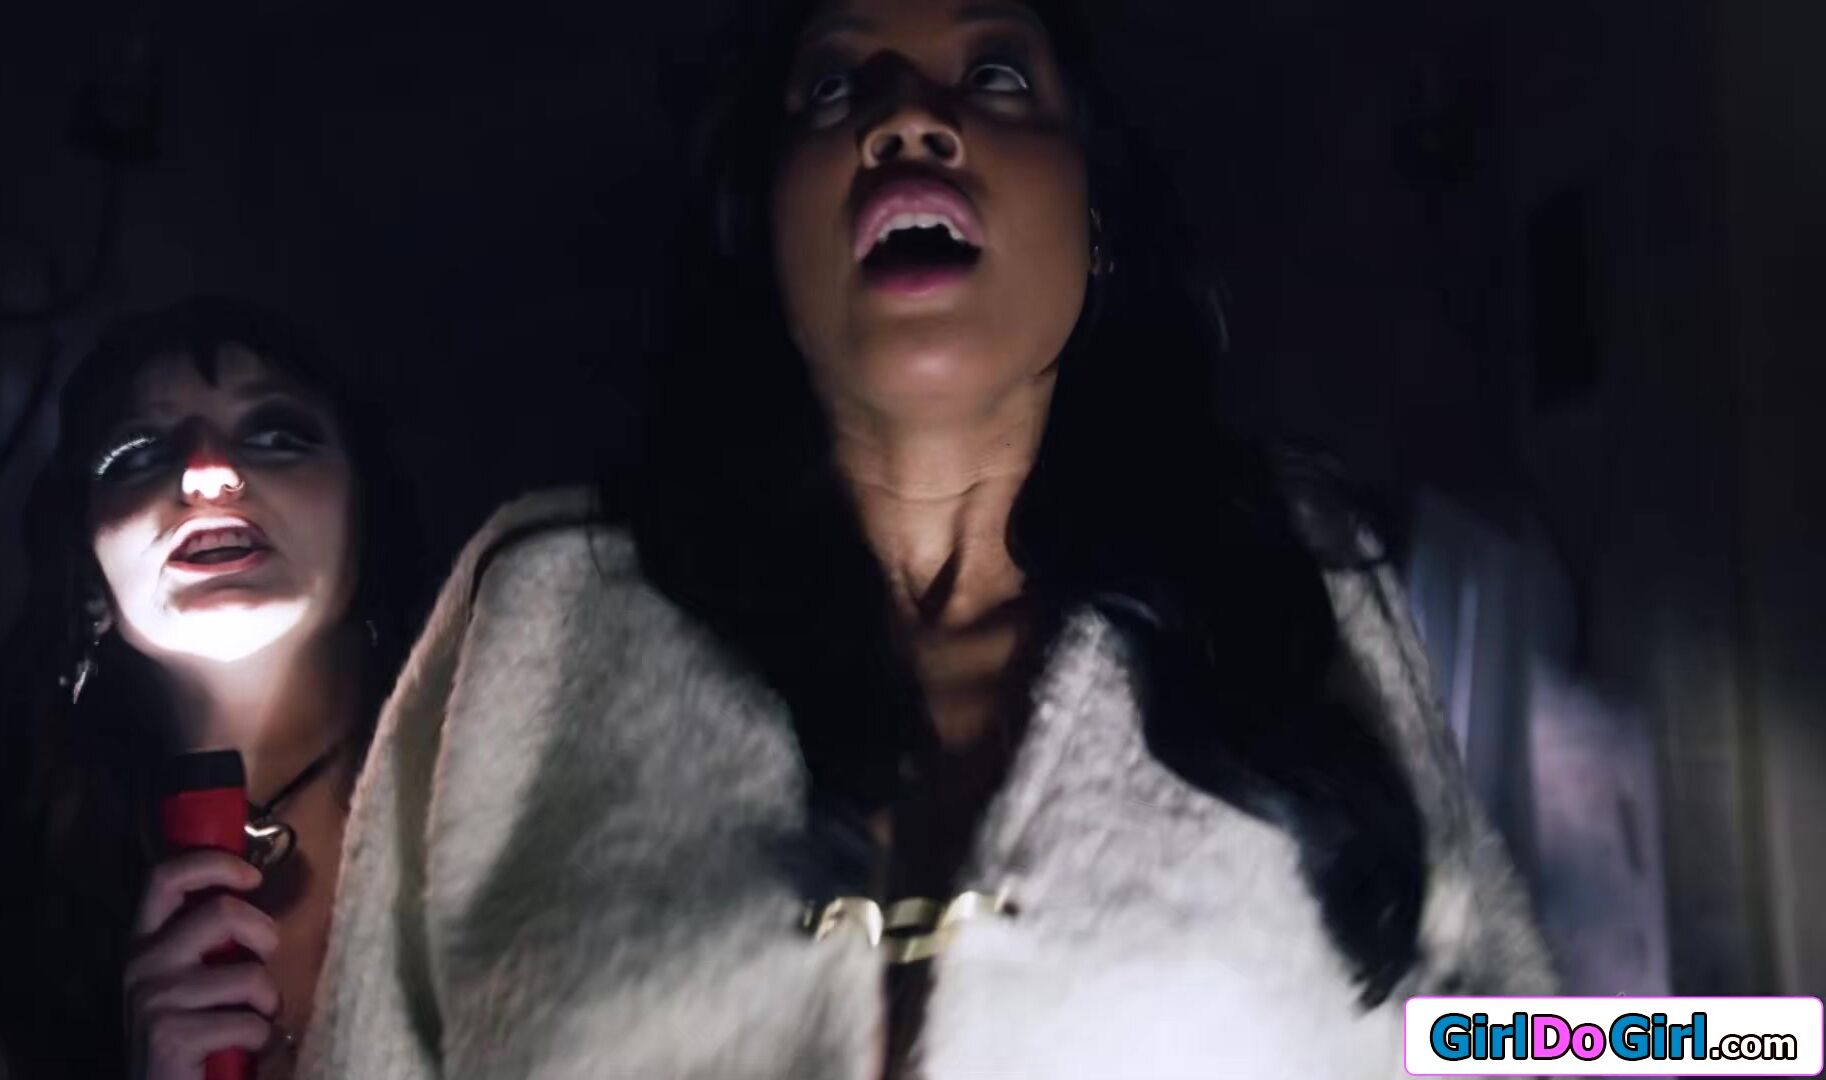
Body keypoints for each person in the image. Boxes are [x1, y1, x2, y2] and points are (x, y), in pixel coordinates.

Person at [305, 1, 1555, 1076]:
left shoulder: (1285, 589)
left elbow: (1506, 1029)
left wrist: (1688, 1037)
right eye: (836, 87)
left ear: (1095, 220)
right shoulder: (541, 608)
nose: (907, 119)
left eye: (995, 75)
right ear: (765, 229)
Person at [0, 297, 422, 1079]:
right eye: (138, 454)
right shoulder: (23, 906)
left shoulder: (492, 761)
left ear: (367, 516)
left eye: (276, 435)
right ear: (85, 570)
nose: (207, 474)